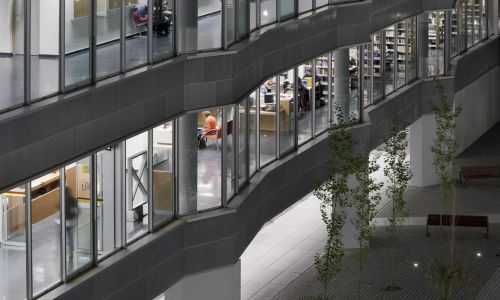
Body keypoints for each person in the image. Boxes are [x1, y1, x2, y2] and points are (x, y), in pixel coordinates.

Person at [65, 187, 78, 260]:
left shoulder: (63, 200)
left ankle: (68, 249)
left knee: (63, 236)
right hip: (72, 221)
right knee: (70, 237)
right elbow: (76, 210)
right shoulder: (73, 200)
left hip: (65, 222)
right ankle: (71, 251)